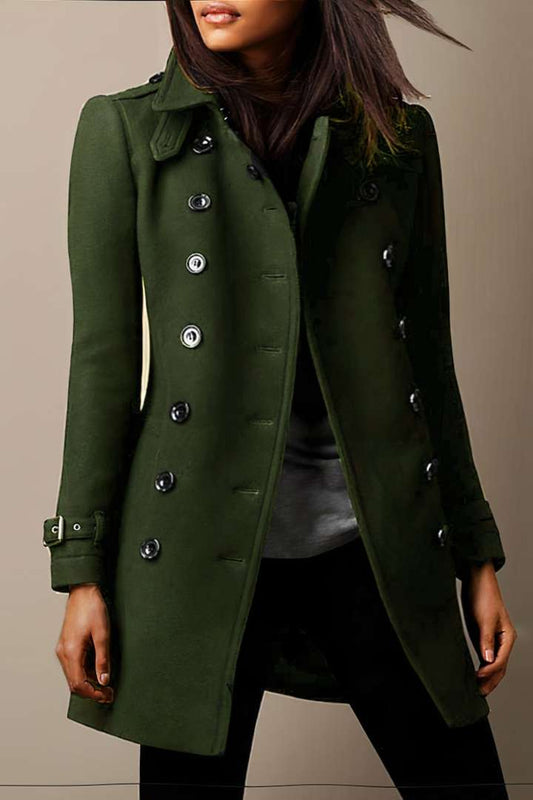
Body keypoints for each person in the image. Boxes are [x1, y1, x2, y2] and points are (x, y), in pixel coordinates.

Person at [46, 1, 517, 798]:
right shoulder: (127, 131)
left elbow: (427, 366)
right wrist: (80, 571)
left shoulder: (395, 140)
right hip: (195, 547)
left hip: (373, 541)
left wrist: (473, 554)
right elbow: (101, 365)